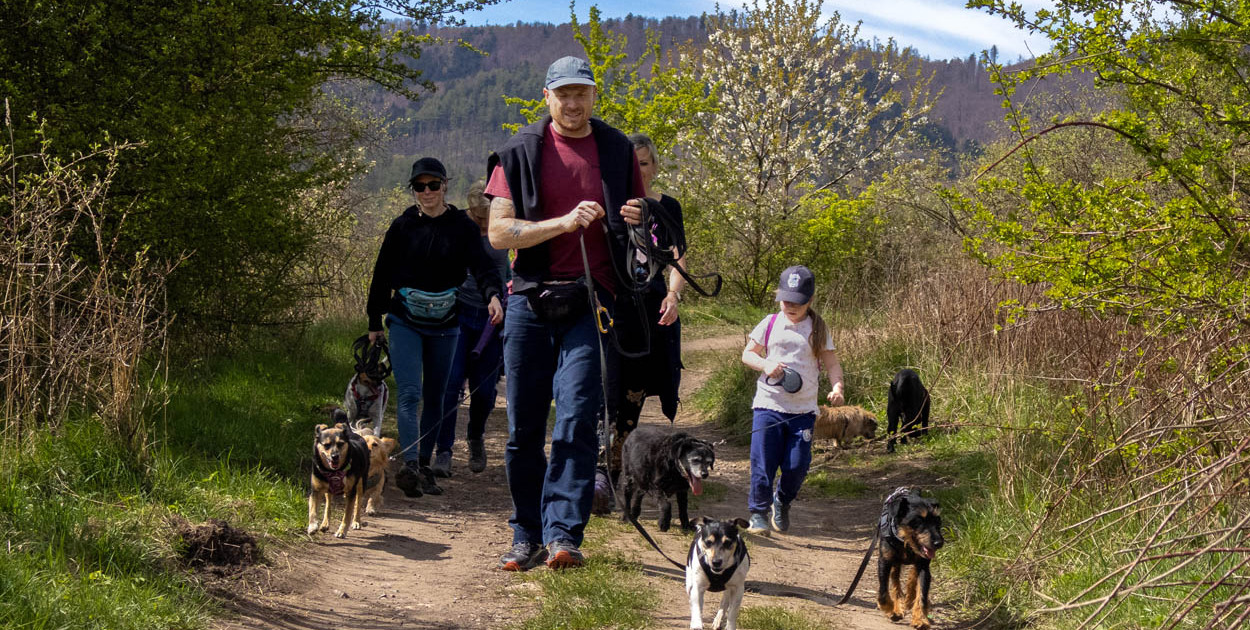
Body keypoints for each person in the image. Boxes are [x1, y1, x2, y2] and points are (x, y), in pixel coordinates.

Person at [484, 56, 646, 571]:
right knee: (523, 427)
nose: (573, 104)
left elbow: (641, 227)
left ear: (594, 96)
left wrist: (640, 221)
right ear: (547, 96)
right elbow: (498, 233)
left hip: (592, 301)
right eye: (564, 94)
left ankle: (563, 537)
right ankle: (524, 533)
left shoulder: (618, 150)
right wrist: (562, 222)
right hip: (529, 301)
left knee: (577, 420)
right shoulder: (516, 153)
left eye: (583, 94)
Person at [365, 157, 504, 499]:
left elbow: (483, 267)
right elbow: (382, 274)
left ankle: (424, 465)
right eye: (419, 186)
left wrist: (493, 297)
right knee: (411, 393)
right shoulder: (402, 226)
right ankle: (410, 465)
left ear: (444, 186)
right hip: (404, 321)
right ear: (413, 190)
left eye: (433, 185)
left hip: (446, 323)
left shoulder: (462, 226)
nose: (426, 192)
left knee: (437, 398)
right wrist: (374, 322)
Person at [604, 133, 688, 477]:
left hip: (648, 311)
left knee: (633, 391)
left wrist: (673, 295)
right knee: (603, 388)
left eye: (643, 163)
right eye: (630, 165)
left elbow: (679, 257)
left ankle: (615, 466)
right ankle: (596, 467)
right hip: (610, 307)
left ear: (653, 166)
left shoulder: (668, 207)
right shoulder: (610, 203)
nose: (637, 171)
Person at [740, 265, 845, 536]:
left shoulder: (818, 327)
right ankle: (758, 513)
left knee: (797, 465)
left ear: (809, 300)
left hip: (803, 412)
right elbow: (748, 355)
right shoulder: (770, 322)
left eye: (797, 301)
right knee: (763, 463)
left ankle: (782, 501)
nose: (790, 306)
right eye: (786, 300)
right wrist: (765, 364)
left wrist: (837, 387)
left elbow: (832, 363)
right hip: (769, 406)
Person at [433, 179, 510, 476]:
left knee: (484, 389)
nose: (482, 223)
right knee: (450, 385)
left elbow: (508, 266)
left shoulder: (501, 226)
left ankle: (475, 436)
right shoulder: (457, 227)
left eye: (486, 218)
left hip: (492, 317)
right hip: (458, 312)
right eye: (477, 217)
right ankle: (444, 451)